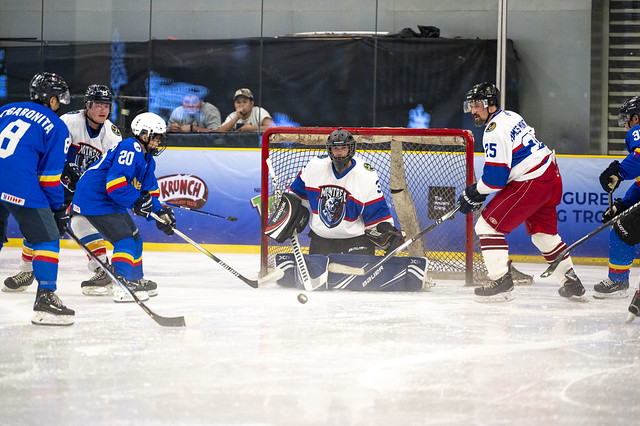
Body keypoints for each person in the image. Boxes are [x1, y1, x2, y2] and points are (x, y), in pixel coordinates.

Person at [2, 84, 137, 297]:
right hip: (56, 181)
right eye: (98, 104)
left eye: (107, 105)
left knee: (81, 222)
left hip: (89, 188)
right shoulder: (68, 122)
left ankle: (102, 268)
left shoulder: (112, 135)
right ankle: (27, 270)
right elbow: (52, 154)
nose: (103, 109)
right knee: (41, 223)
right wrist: (67, 175)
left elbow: (112, 170)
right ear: (87, 105)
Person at [458, 82, 585, 302]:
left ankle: (500, 280)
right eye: (470, 105)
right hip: (550, 176)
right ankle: (571, 281)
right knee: (544, 236)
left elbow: (495, 179)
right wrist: (478, 193)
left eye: (477, 104)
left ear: (491, 105)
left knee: (486, 226)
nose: (473, 110)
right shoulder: (511, 116)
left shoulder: (493, 131)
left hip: (532, 181)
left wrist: (473, 192)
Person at [265, 128, 416, 291]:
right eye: (335, 149)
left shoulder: (366, 175)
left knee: (359, 285)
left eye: (343, 148)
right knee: (321, 287)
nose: (339, 153)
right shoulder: (314, 167)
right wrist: (288, 213)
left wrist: (387, 233)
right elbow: (297, 196)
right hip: (322, 239)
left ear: (351, 149)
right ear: (329, 150)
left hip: (356, 239)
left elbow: (376, 214)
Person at [71, 112, 176, 303]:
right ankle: (122, 284)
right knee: (124, 241)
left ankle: (135, 279)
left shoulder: (148, 160)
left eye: (160, 137)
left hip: (110, 200)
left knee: (135, 239)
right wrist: (136, 201)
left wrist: (160, 214)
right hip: (94, 198)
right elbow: (115, 184)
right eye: (155, 136)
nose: (159, 141)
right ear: (143, 134)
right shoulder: (130, 147)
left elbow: (150, 192)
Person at [0, 71, 75, 325]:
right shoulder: (56, 125)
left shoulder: (6, 109)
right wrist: (57, 210)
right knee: (47, 236)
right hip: (19, 182)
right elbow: (49, 178)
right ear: (52, 99)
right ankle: (45, 297)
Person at [597, 96, 640, 317]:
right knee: (625, 224)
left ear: (635, 117)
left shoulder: (637, 130)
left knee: (622, 231)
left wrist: (619, 172)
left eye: (626, 119)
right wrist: (624, 205)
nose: (626, 125)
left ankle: (619, 281)